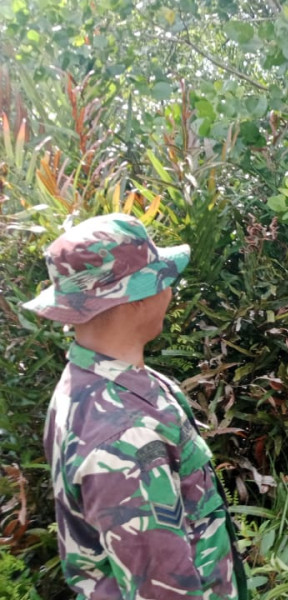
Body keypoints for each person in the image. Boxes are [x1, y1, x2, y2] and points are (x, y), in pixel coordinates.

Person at [22, 214, 247, 599]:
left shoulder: (88, 383)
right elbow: (163, 590)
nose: (170, 293)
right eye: (163, 282)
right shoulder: (126, 433)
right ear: (136, 297)